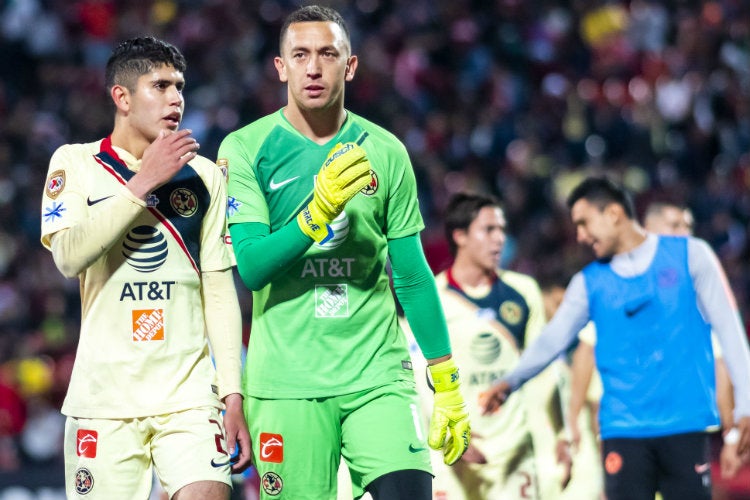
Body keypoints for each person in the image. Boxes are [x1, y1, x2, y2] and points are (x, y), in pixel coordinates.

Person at [217, 5, 469, 500]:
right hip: (288, 383)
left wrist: (446, 379)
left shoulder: (387, 150)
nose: (314, 68)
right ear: (280, 66)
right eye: (301, 55)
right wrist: (318, 211)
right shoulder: (246, 148)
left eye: (328, 54)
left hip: (377, 373)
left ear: (349, 66)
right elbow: (252, 267)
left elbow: (413, 276)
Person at [40, 36, 251, 499]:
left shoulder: (206, 176)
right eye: (160, 85)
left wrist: (233, 394)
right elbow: (68, 257)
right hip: (104, 399)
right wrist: (143, 183)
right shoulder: (75, 163)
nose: (176, 98)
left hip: (189, 396)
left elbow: (218, 292)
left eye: (180, 86)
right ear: (122, 97)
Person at [481, 176, 750, 500]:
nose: (579, 235)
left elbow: (729, 330)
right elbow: (551, 340)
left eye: (583, 223)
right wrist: (511, 381)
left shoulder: (692, 256)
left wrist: (745, 405)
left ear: (613, 214)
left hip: (685, 425)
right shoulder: (589, 282)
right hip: (622, 432)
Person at [405, 192, 572, 499]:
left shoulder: (523, 291)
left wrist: (562, 435)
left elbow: (545, 367)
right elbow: (416, 379)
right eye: (488, 230)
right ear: (460, 236)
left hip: (514, 450)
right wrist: (447, 437)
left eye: (502, 230)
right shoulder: (433, 299)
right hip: (454, 453)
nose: (499, 240)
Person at [567, 200, 748, 481]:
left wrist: (731, 433)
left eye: (689, 226)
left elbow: (720, 361)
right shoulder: (618, 279)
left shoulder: (697, 287)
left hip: (681, 428)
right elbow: (586, 352)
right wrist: (573, 420)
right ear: (649, 229)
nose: (685, 233)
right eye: (676, 225)